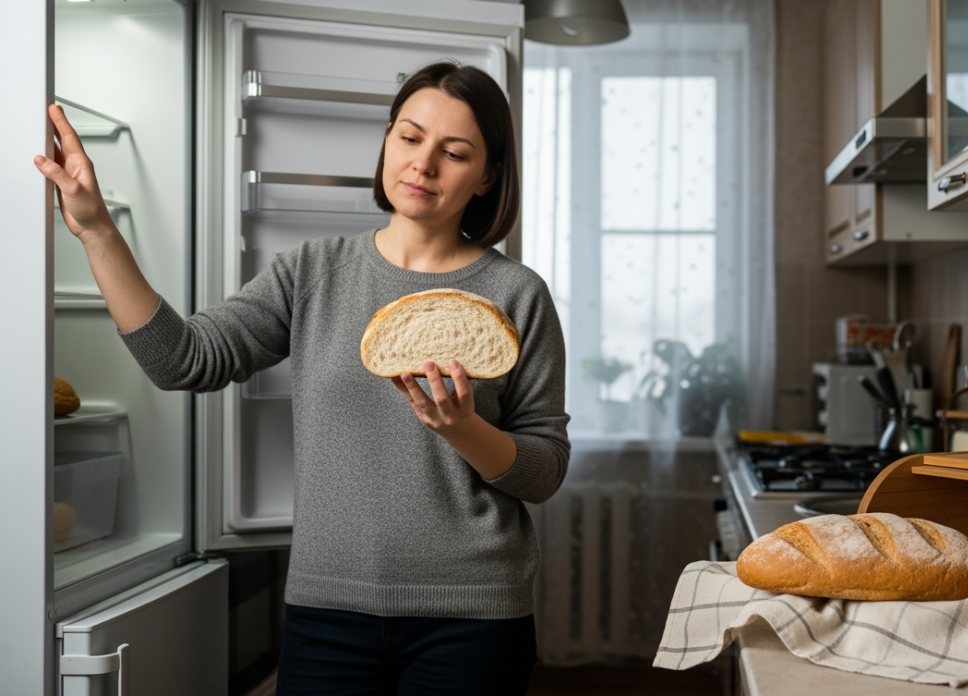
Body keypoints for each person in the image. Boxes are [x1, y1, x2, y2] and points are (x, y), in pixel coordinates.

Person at [34, 62, 569, 695]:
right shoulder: (312, 272)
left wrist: (465, 430)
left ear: (486, 178)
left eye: (454, 153)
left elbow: (544, 470)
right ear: (387, 141)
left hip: (475, 616)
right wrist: (96, 229)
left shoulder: (517, 294)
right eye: (408, 136)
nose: (423, 164)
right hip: (328, 608)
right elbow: (182, 360)